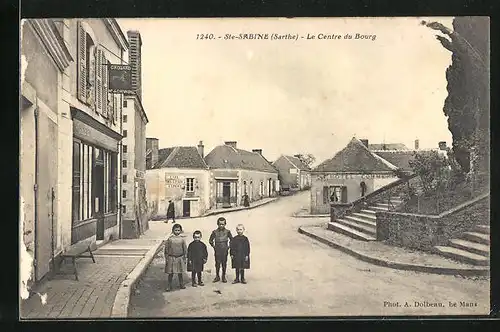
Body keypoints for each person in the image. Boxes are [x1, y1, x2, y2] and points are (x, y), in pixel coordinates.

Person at [209, 217, 233, 283]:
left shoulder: (228, 232)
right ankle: (217, 276)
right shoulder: (214, 232)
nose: (221, 226)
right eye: (220, 224)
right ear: (217, 224)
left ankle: (223, 276)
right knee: (217, 264)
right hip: (217, 251)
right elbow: (210, 240)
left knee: (224, 263)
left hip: (224, 250)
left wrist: (229, 246)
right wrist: (214, 246)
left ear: (225, 224)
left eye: (222, 224)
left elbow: (232, 240)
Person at [164, 223, 187, 291]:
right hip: (172, 258)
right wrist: (167, 258)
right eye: (175, 230)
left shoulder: (182, 239)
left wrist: (185, 257)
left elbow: (185, 249)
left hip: (180, 258)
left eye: (178, 230)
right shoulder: (170, 239)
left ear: (181, 231)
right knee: (171, 273)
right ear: (173, 230)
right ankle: (169, 285)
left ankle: (181, 284)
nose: (177, 232)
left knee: (180, 272)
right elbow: (166, 249)